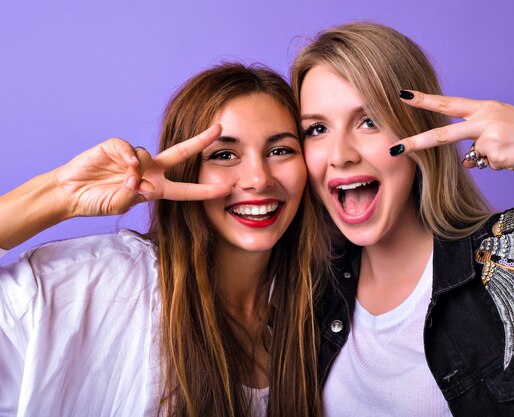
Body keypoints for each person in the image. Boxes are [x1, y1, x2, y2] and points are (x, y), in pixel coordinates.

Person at [291, 22, 514, 416]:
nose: (339, 154)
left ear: (420, 133)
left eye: (370, 121)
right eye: (316, 129)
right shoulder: (304, 298)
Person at [0, 63, 323, 417]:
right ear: (185, 171)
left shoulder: (316, 314)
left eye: (280, 151)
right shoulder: (93, 287)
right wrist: (60, 193)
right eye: (224, 154)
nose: (259, 180)